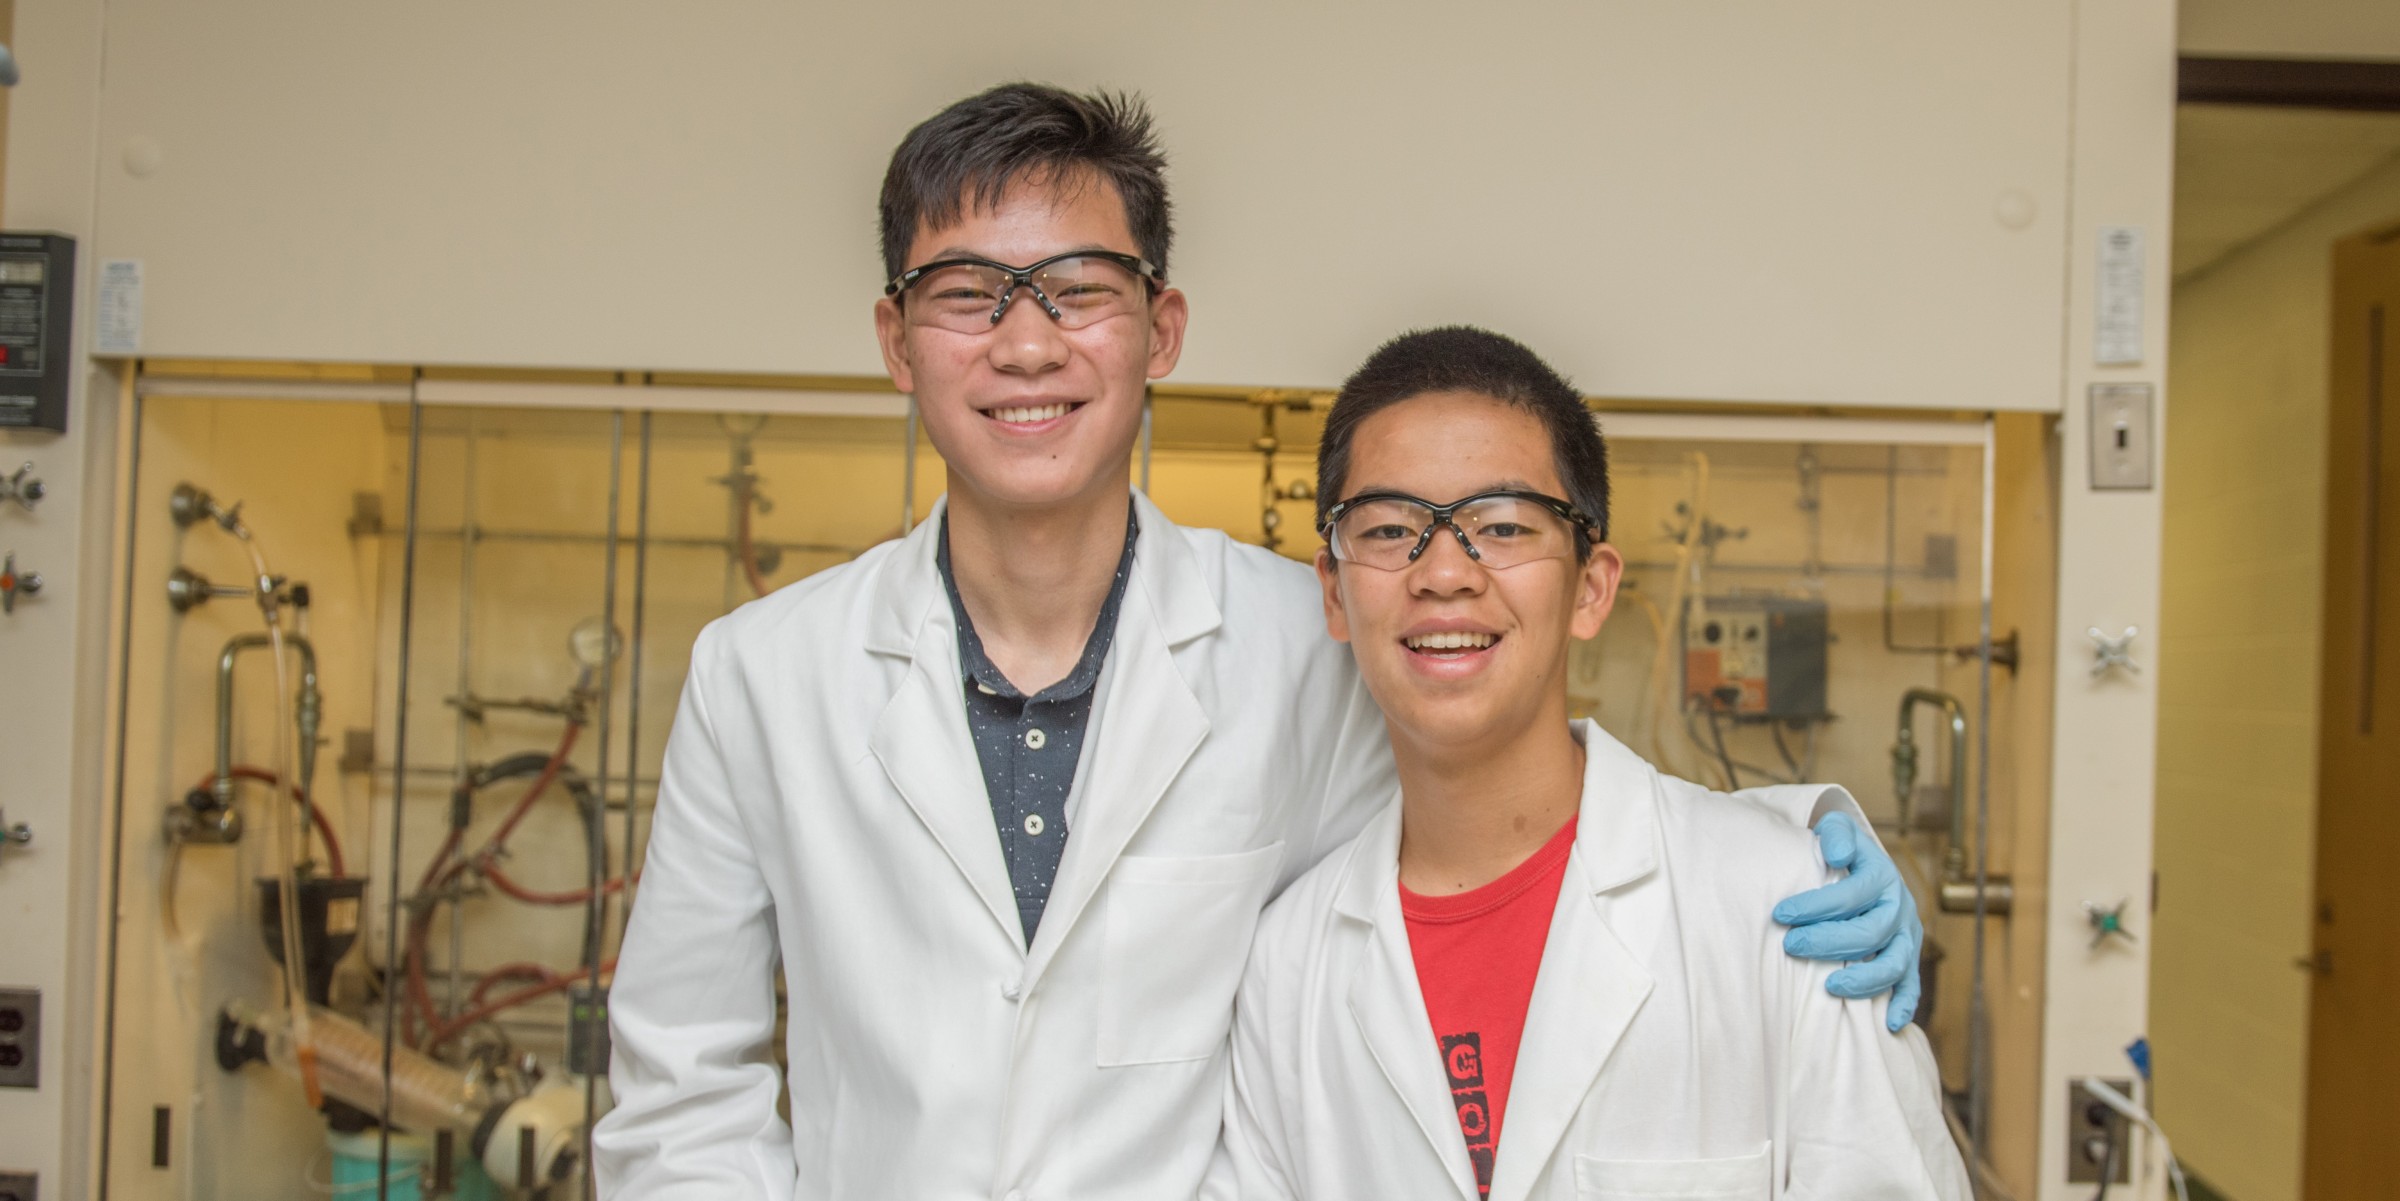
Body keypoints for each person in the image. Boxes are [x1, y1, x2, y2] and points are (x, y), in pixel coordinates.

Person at [592, 85, 1923, 1200]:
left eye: (1078, 288)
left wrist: (1794, 850)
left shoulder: (1318, 631)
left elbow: (1512, 804)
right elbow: (680, 1093)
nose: (1026, 341)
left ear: (1162, 328)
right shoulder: (761, 675)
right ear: (895, 339)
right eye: (964, 293)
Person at [1210, 327, 1970, 1201]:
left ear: (1592, 586)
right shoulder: (1286, 967)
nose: (1445, 571)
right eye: (1390, 528)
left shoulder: (1787, 912)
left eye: (1500, 526)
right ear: (1335, 592)